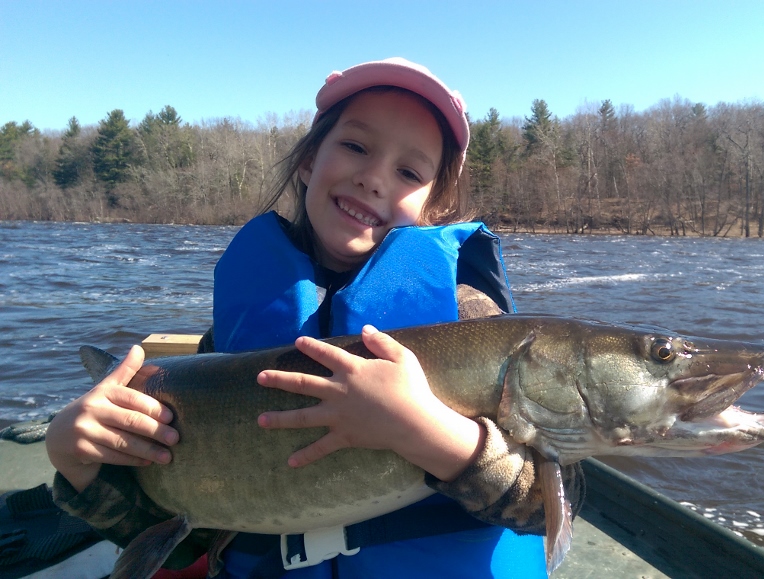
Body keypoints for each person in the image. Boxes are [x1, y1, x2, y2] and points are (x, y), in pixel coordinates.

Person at [45, 58, 583, 578]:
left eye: (408, 171)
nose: (374, 178)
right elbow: (179, 538)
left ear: (433, 208)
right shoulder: (232, 336)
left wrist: (423, 432)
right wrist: (77, 465)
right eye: (355, 146)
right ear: (308, 162)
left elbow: (550, 506)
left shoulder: (471, 318)